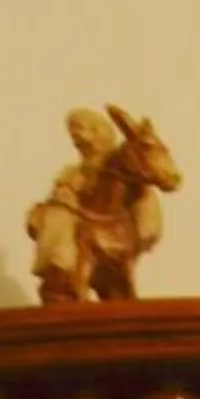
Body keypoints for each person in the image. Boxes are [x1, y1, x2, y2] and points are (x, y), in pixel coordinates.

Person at [25, 107, 120, 304]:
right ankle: (59, 272)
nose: (75, 136)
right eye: (73, 131)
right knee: (57, 217)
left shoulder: (118, 168)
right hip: (75, 222)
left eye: (79, 128)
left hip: (110, 229)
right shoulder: (71, 172)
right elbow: (62, 193)